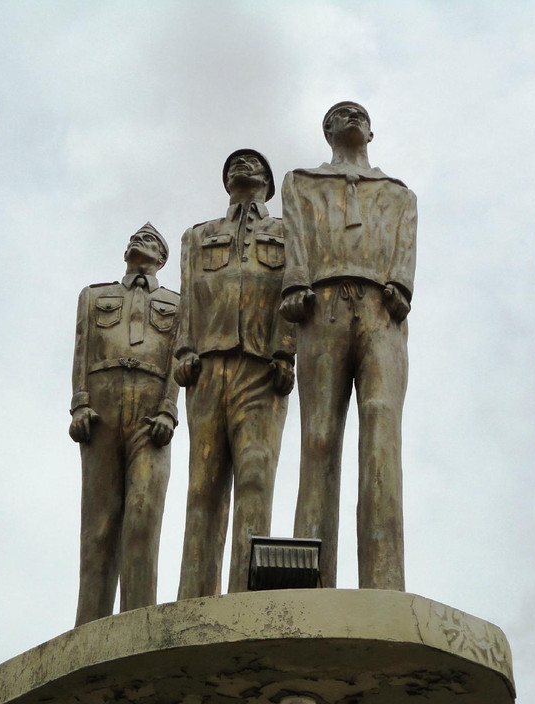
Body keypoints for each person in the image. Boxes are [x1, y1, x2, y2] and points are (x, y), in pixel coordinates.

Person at [280, 102, 417, 591]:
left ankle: (384, 580)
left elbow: (404, 246)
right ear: (328, 129)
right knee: (318, 435)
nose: (351, 117)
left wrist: (400, 284)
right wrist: (296, 283)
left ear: (372, 131)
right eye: (341, 114)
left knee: (381, 425)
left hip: (382, 308)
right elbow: (295, 236)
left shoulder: (397, 193)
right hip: (323, 305)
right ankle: (309, 582)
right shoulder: (302, 182)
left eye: (359, 113)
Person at [175, 149, 295, 598]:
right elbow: (188, 298)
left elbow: (292, 293)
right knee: (202, 485)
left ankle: (244, 595)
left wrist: (287, 352)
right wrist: (184, 349)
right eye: (233, 164)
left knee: (255, 475)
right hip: (206, 366)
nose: (241, 167)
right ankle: (193, 598)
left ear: (267, 179)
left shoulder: (287, 233)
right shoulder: (198, 235)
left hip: (260, 366)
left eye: (252, 163)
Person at [69, 223, 180, 625]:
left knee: (142, 516)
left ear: (162, 258)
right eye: (135, 238)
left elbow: (176, 361)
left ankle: (137, 622)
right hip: (103, 409)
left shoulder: (177, 303)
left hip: (149, 415)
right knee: (97, 525)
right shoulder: (95, 296)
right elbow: (81, 350)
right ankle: (88, 627)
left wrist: (169, 409)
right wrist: (79, 404)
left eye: (150, 240)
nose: (139, 242)